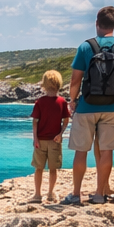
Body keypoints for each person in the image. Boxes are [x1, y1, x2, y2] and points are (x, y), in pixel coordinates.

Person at [63, 5, 114, 205]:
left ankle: (76, 194)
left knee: (81, 151)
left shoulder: (86, 47)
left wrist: (73, 100)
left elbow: (75, 81)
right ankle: (98, 194)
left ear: (97, 23)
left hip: (87, 106)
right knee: (107, 151)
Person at [28, 70, 71, 203]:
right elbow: (66, 120)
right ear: (59, 84)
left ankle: (37, 194)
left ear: (44, 85)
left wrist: (35, 138)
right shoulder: (62, 102)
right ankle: (51, 193)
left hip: (40, 140)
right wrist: (60, 134)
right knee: (53, 169)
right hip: (55, 140)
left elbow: (35, 121)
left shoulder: (40, 102)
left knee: (38, 168)